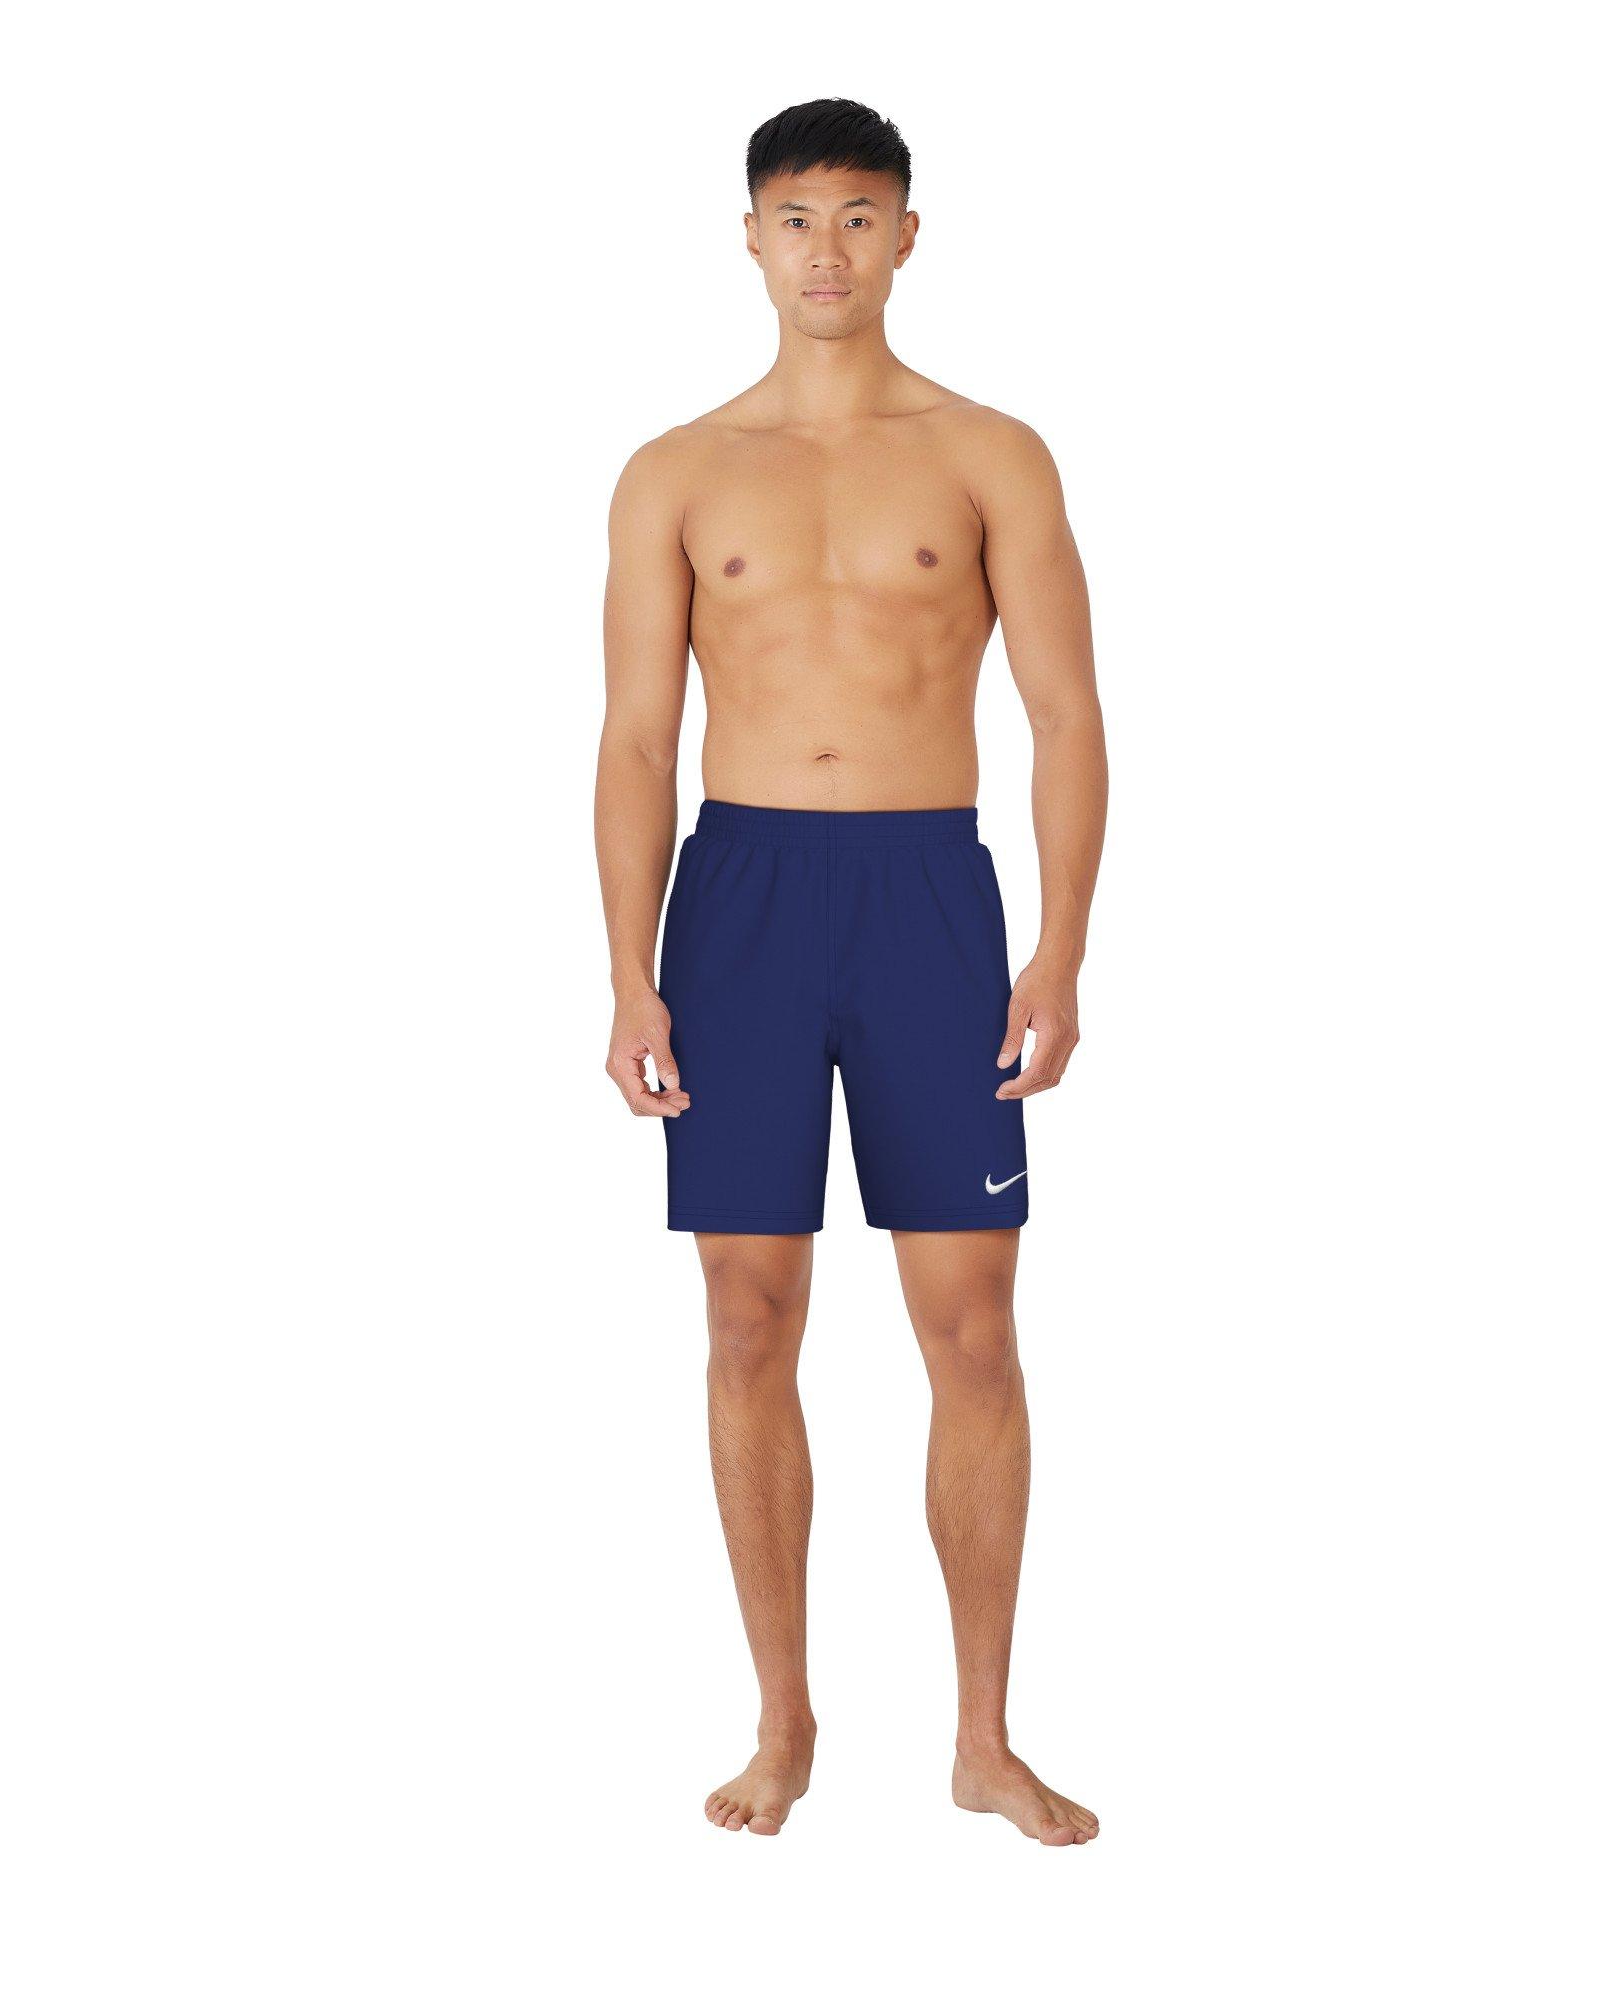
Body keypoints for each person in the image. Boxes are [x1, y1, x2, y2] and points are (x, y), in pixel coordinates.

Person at [594, 99, 1108, 1845]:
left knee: (973, 1323)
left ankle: (984, 1739)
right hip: (737, 901)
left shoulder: (990, 454)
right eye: (798, 217)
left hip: (926, 902)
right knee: (747, 1315)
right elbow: (635, 740)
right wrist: (629, 974)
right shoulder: (675, 470)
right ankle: (784, 1722)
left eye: (860, 216)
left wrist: (1060, 945)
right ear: (751, 238)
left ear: (907, 236)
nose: (828, 248)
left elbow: (1066, 718)